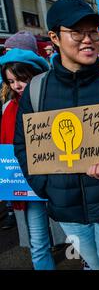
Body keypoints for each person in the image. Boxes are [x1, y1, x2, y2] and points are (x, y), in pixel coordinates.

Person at [14, 0, 99, 270]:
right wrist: (46, 187)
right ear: (54, 37)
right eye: (77, 32)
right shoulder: (37, 90)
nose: (88, 40)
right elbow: (23, 146)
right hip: (68, 214)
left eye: (93, 32)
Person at [0, 48, 58, 269]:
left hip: (60, 183)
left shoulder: (54, 100)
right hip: (28, 188)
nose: (16, 85)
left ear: (34, 74)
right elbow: (5, 147)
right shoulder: (9, 109)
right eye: (11, 80)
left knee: (77, 238)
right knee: (38, 242)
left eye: (20, 78)